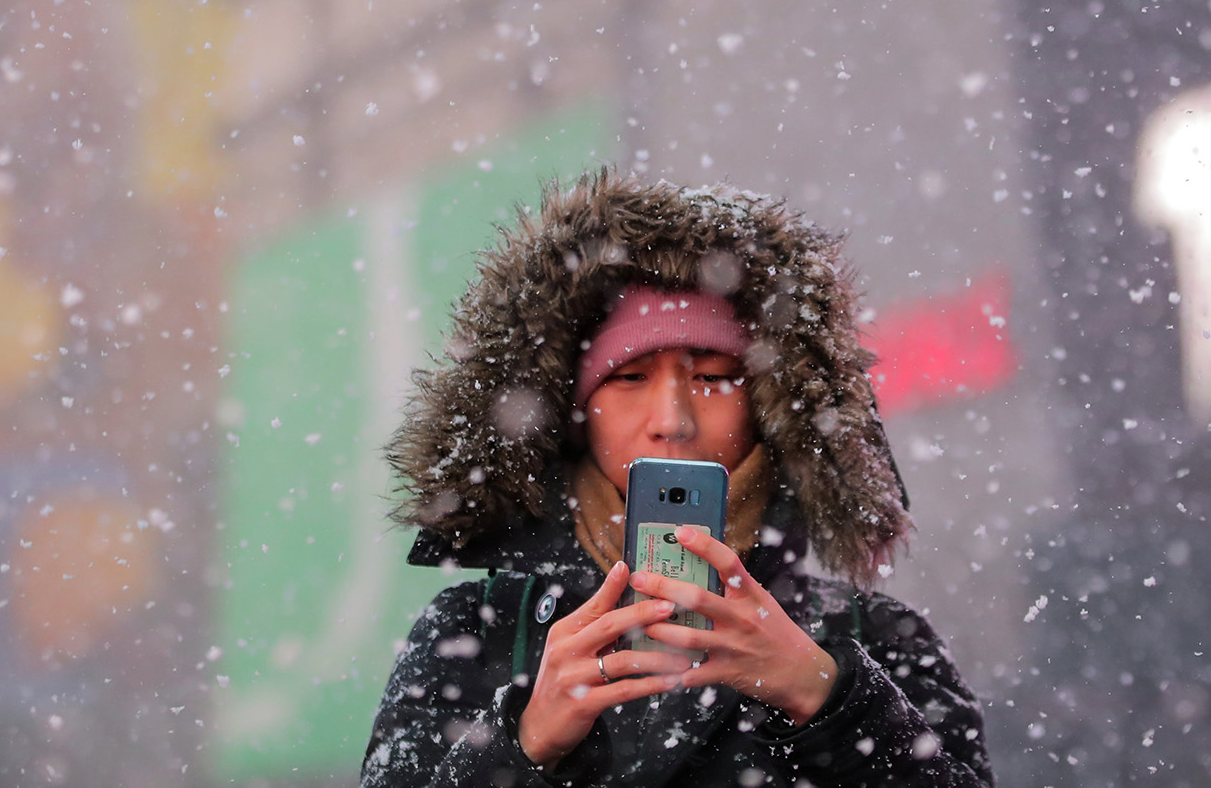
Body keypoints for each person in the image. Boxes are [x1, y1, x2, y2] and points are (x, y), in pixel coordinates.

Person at [361, 172, 992, 787]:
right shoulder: (477, 630)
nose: (674, 421)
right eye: (629, 379)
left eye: (714, 378)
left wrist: (827, 699)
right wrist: (524, 741)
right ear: (575, 417)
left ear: (773, 411)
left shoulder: (871, 639)